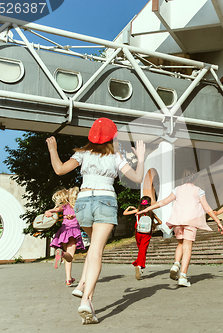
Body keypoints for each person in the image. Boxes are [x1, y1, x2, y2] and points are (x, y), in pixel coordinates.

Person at [46, 117, 146, 324]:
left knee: (92, 249)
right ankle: (86, 299)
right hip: (105, 199)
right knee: (97, 251)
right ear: (112, 137)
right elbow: (137, 179)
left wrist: (53, 149)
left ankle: (82, 285)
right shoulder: (116, 156)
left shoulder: (82, 153)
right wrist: (141, 157)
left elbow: (59, 170)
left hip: (82, 202)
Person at [136, 167, 223, 287]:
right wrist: (217, 221)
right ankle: (183, 276)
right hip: (191, 221)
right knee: (187, 248)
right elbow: (207, 208)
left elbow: (163, 202)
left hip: (177, 221)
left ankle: (176, 264)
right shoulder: (199, 191)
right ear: (196, 178)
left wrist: (147, 208)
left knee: (180, 244)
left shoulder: (177, 189)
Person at [45, 187, 85, 286]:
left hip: (64, 231)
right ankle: (61, 254)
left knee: (68, 257)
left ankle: (68, 279)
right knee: (70, 256)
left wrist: (48, 211)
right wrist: (75, 216)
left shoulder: (64, 206)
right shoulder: (80, 206)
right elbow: (84, 216)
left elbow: (55, 209)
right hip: (73, 231)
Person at [123, 195, 163, 280]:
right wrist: (154, 225)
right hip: (147, 233)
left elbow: (124, 213)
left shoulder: (138, 211)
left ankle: (139, 265)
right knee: (143, 250)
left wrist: (130, 208)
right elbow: (160, 222)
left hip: (138, 232)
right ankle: (139, 265)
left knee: (140, 249)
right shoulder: (151, 212)